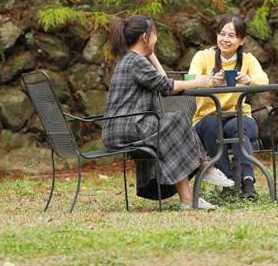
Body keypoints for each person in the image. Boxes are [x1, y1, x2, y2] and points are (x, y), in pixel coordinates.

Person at [102, 15, 234, 210]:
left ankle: (189, 199)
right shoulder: (133, 61)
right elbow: (166, 86)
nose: (157, 39)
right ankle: (205, 166)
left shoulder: (135, 59)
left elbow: (160, 79)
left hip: (128, 124)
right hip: (125, 126)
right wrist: (198, 82)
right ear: (146, 37)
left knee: (172, 128)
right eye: (154, 35)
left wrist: (151, 53)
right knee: (176, 120)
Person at [188, 15, 268, 200]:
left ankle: (248, 182)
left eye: (231, 35)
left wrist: (249, 80)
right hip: (206, 119)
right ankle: (229, 181)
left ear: (241, 40)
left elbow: (263, 80)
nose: (225, 39)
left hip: (237, 115)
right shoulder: (203, 56)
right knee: (210, 125)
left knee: (239, 126)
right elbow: (190, 80)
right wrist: (209, 81)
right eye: (222, 34)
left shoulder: (248, 60)